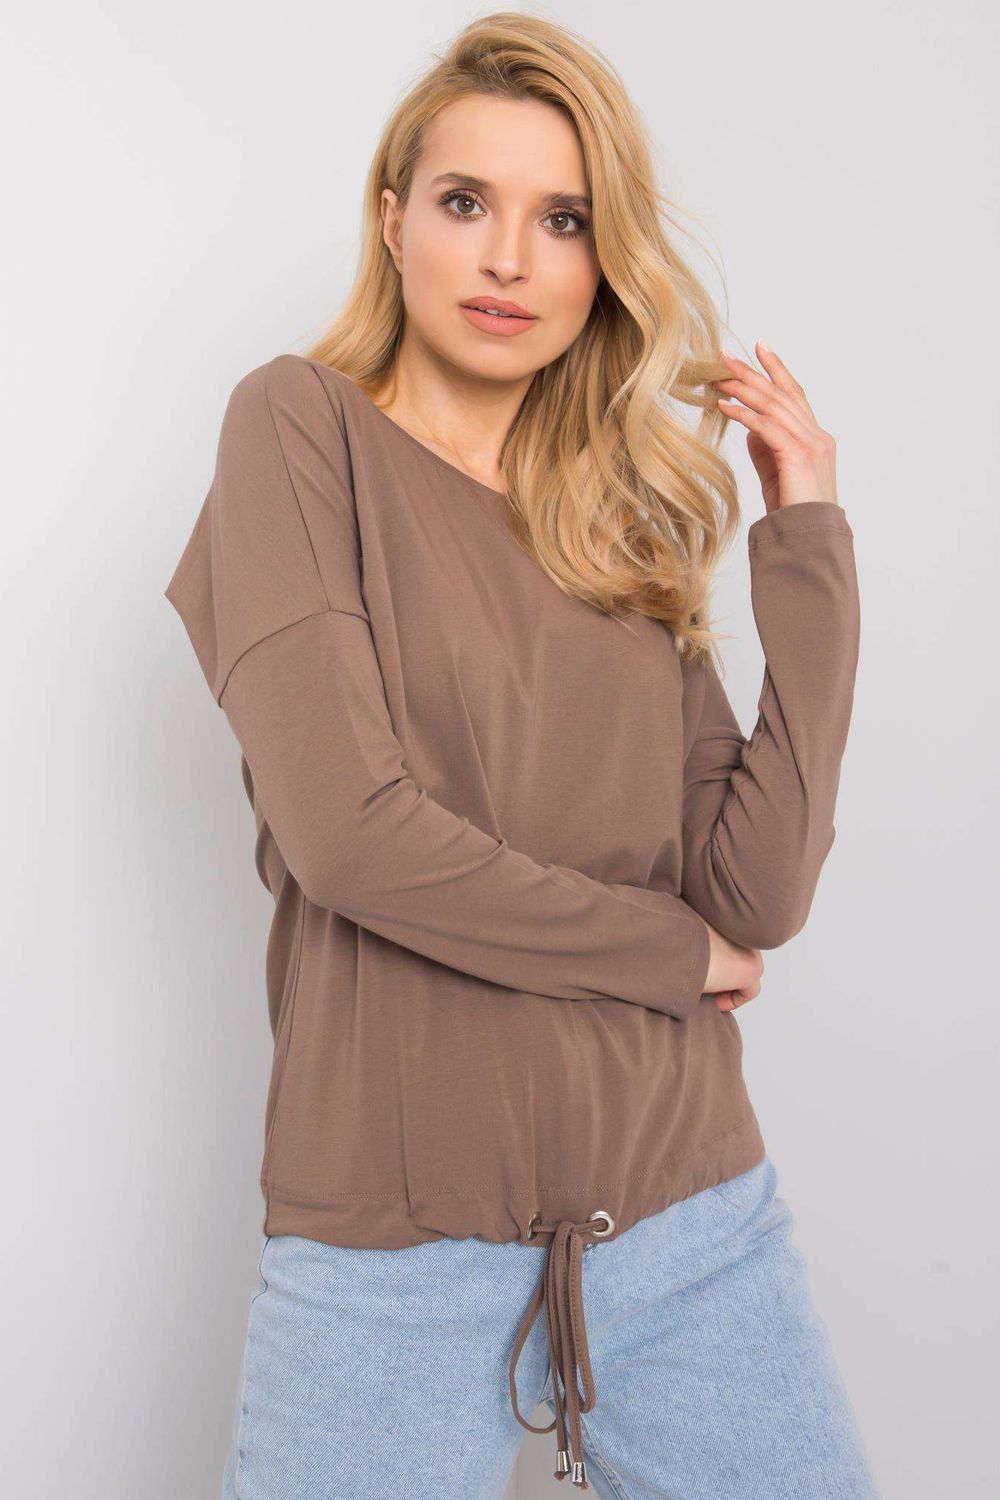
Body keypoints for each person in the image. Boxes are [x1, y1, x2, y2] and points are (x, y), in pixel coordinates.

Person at [163, 12, 883, 1499]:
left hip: (692, 1218)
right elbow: (352, 835)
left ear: (602, 260)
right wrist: (662, 956)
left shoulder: (614, 521)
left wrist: (805, 537)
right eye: (465, 202)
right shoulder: (298, 430)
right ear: (392, 221)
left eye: (562, 219)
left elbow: (754, 898)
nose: (509, 259)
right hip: (398, 1253)